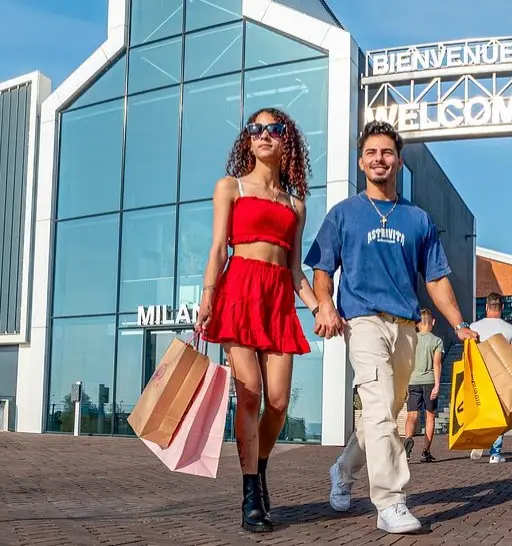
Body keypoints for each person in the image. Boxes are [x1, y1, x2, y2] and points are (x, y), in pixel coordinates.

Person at [307, 121, 477, 535]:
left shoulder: (417, 219)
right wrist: (325, 305)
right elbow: (322, 269)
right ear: (361, 161)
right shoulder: (343, 214)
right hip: (362, 321)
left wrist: (459, 324)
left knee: (381, 416)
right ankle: (391, 501)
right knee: (383, 413)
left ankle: (342, 470)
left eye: (386, 152)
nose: (378, 159)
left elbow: (435, 280)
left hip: (407, 329)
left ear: (398, 161)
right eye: (371, 153)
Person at [194, 107, 318, 534]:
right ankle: (250, 492)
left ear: (287, 142)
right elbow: (217, 250)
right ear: (248, 140)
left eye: (274, 129)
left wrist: (320, 307)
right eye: (256, 129)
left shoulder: (296, 205)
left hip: (278, 300)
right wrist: (207, 297)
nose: (265, 134)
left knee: (278, 402)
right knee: (249, 394)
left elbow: (295, 269)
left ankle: (259, 468)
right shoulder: (230, 187)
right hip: (239, 293)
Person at [468, 292, 512, 463]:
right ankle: (495, 454)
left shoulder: (474, 327)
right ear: (502, 307)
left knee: (481, 410)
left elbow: (468, 353)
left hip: (479, 374)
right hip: (501, 376)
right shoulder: (510, 329)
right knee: (499, 414)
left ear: (486, 306)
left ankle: (480, 440)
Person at [404, 309, 442, 463]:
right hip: (429, 381)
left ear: (417, 324)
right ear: (433, 322)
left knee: (412, 415)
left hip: (413, 381)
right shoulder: (436, 341)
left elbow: (406, 363)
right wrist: (437, 386)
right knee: (430, 417)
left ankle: (407, 440)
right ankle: (425, 451)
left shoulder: (411, 340)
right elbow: (437, 363)